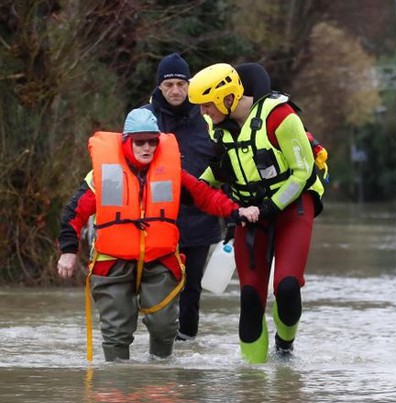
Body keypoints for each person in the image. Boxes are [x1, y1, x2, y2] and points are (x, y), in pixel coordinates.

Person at [56, 108, 259, 362]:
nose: (147, 147)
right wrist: (68, 250)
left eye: (152, 141)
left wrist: (236, 211)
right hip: (113, 262)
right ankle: (118, 391)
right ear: (126, 142)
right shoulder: (102, 175)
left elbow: (205, 196)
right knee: (116, 331)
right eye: (139, 142)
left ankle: (161, 383)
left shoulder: (172, 172)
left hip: (160, 260)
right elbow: (73, 213)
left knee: (165, 327)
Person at [188, 62, 325, 363]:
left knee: (287, 286)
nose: (203, 113)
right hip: (249, 214)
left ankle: (285, 346)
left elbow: (303, 173)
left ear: (227, 98)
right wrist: (196, 187)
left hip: (292, 207)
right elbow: (221, 166)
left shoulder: (281, 117)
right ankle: (252, 384)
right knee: (250, 298)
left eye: (207, 105)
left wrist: (269, 207)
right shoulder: (217, 126)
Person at [143, 52, 221, 342]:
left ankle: (187, 347)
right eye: (169, 85)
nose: (175, 91)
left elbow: (225, 165)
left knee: (192, 289)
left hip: (201, 216)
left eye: (180, 84)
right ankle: (159, 344)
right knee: (158, 284)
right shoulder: (145, 118)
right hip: (156, 219)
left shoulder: (208, 116)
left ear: (189, 85)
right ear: (159, 87)